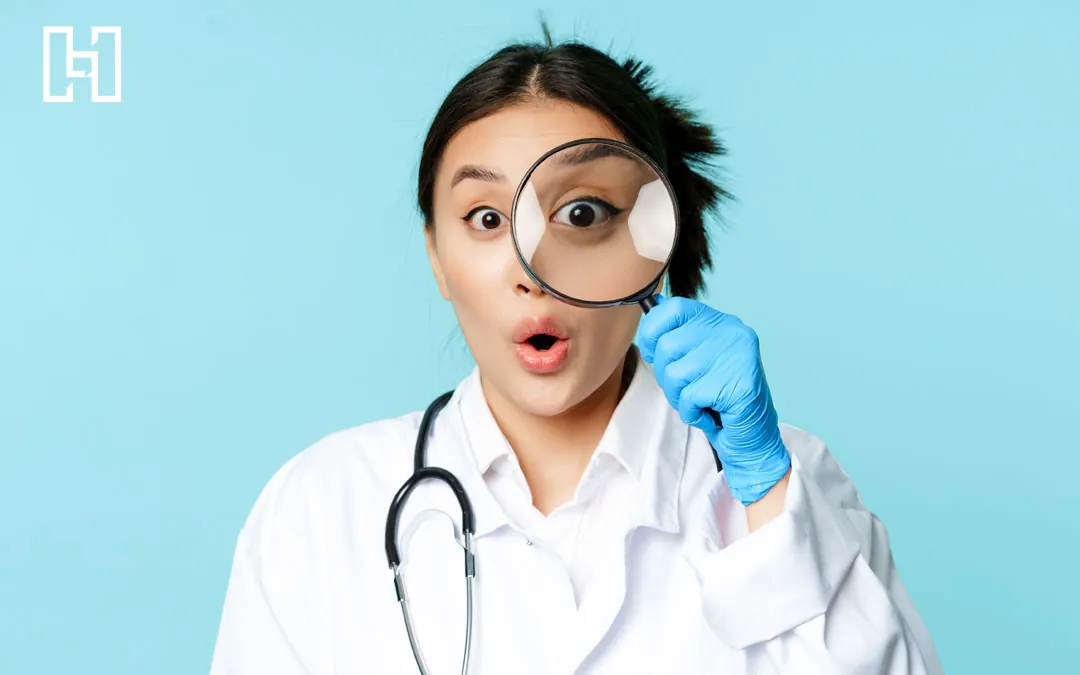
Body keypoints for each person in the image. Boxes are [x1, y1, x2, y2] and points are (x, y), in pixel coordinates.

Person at [209, 28, 943, 675]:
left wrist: (768, 498)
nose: (532, 271)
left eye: (582, 213)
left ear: (654, 239)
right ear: (436, 256)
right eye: (488, 217)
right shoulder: (321, 507)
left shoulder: (789, 484)